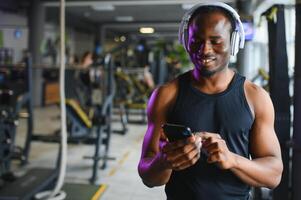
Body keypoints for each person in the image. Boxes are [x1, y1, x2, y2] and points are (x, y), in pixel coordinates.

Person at [137, 2, 283, 200]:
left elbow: (273, 175)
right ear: (186, 40)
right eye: (196, 40)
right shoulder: (165, 95)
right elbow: (148, 176)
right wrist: (164, 162)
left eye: (216, 41)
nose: (205, 50)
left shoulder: (256, 97)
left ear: (233, 42)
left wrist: (232, 160)